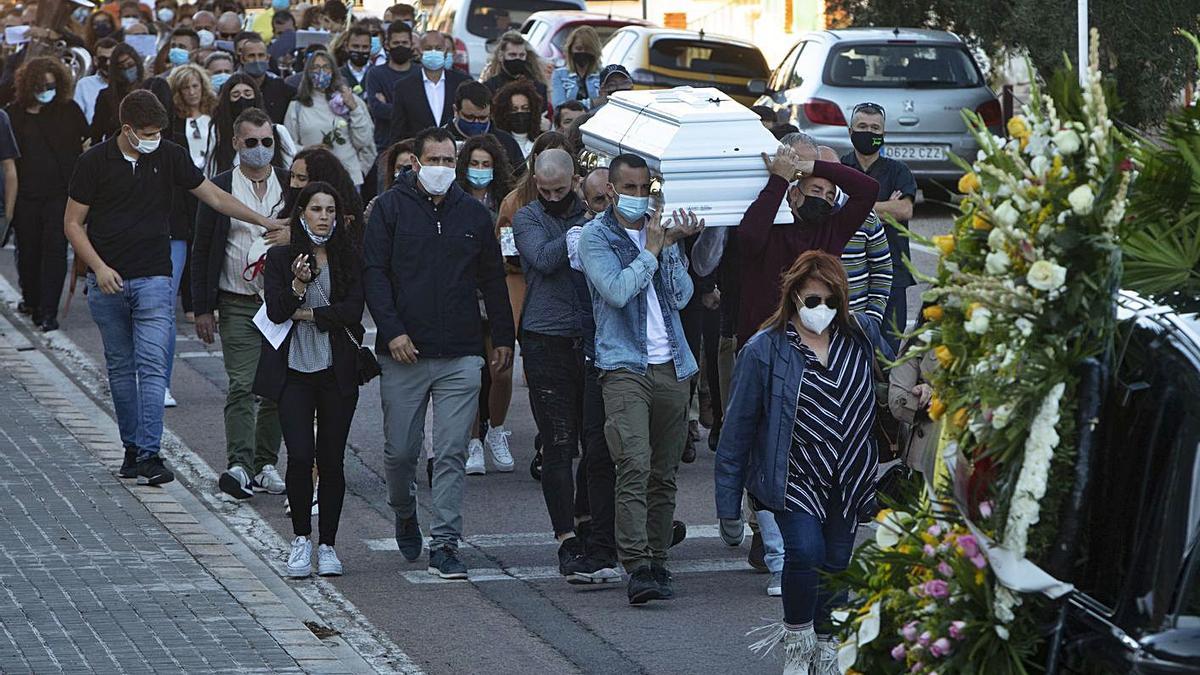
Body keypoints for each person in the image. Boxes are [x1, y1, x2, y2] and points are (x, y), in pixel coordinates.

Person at [65, 90, 289, 487]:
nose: (154, 139)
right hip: (107, 283)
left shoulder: (169, 155)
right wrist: (98, 267)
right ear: (127, 130)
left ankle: (149, 453)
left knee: (152, 367)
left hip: (154, 276)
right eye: (148, 133)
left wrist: (263, 222)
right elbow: (73, 223)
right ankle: (132, 449)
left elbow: (215, 196)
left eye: (159, 132)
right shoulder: (93, 162)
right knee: (120, 369)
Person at [715, 250, 893, 673]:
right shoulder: (765, 350)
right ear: (794, 296)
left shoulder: (861, 333)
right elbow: (736, 430)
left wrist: (917, 390)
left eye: (832, 301)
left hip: (850, 473)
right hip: (795, 475)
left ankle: (829, 650)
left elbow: (896, 373)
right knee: (805, 552)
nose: (822, 310)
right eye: (813, 300)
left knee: (836, 564)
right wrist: (727, 507)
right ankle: (798, 645)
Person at [363, 127, 514, 579]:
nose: (442, 169)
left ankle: (445, 542)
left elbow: (492, 278)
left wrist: (503, 337)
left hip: (460, 353)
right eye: (435, 160)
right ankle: (404, 510)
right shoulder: (389, 210)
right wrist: (392, 333)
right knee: (401, 453)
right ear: (416, 162)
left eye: (450, 161)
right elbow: (375, 275)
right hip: (403, 353)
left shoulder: (472, 214)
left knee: (449, 451)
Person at [577, 153, 703, 604]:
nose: (635, 197)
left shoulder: (660, 233)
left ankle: (658, 559)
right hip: (623, 366)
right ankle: (636, 565)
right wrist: (651, 250)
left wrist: (671, 246)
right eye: (627, 188)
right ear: (610, 191)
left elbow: (684, 296)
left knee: (664, 472)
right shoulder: (594, 238)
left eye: (642, 188)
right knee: (633, 462)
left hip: (672, 363)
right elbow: (615, 291)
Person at [255, 181, 365, 579]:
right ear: (301, 214)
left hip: (336, 371)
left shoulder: (348, 256)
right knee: (301, 455)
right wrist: (299, 285)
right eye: (316, 209)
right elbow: (277, 310)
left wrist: (313, 316)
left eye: (330, 210)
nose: (323, 216)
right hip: (293, 373)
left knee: (331, 460)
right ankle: (301, 538)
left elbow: (352, 310)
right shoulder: (282, 257)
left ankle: (329, 544)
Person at [193, 107, 290, 499]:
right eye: (251, 143)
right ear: (235, 143)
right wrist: (201, 308)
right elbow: (202, 250)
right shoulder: (218, 187)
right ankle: (239, 463)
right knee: (242, 384)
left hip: (282, 305)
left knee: (277, 387)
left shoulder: (289, 186)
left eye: (267, 142)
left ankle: (266, 463)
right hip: (237, 302)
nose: (260, 150)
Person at [512, 147, 599, 576]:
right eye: (544, 190)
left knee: (595, 439)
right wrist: (583, 228)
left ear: (574, 181)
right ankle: (565, 535)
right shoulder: (527, 217)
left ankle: (588, 519)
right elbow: (543, 260)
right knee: (558, 441)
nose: (551, 197)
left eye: (559, 190)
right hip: (544, 337)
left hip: (587, 335)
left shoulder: (593, 210)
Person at [6, 57, 87, 332]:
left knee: (54, 252)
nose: (47, 90)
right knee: (28, 252)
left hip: (59, 196)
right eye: (41, 85)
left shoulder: (68, 111)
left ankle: (48, 310)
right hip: (25, 197)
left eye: (51, 85)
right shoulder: (13, 114)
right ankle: (32, 300)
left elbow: (84, 146)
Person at [453, 134, 516, 476]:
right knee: (471, 373)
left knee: (501, 370)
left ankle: (497, 431)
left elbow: (510, 251)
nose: (480, 170)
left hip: (498, 292)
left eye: (486, 165)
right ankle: (473, 440)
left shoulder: (506, 202)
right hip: (463, 293)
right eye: (474, 164)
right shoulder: (455, 200)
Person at [840, 102, 916, 350]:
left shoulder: (898, 171)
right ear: (850, 131)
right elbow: (835, 212)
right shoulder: (840, 169)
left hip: (894, 272)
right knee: (851, 344)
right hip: (850, 275)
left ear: (883, 135)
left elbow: (904, 210)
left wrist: (856, 208)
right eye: (862, 126)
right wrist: (885, 208)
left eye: (875, 128)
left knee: (889, 347)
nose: (869, 133)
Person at [496, 132, 570, 346]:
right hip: (526, 291)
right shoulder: (515, 202)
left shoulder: (580, 199)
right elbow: (508, 255)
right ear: (535, 159)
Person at [284, 51, 374, 187]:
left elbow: (365, 141)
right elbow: (288, 146)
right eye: (316, 67)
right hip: (310, 180)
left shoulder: (350, 100)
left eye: (326, 67)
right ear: (308, 72)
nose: (321, 72)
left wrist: (360, 171)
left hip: (347, 179)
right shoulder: (297, 106)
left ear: (333, 71)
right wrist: (306, 150)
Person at [386, 30, 468, 145]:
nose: (434, 52)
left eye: (438, 48)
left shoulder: (462, 83)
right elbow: (397, 131)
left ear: (445, 51)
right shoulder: (404, 87)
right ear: (419, 50)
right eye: (428, 48)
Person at [207, 74, 295, 177]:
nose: (242, 98)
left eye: (247, 94)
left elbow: (291, 169)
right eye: (236, 95)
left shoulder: (278, 131)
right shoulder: (217, 132)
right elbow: (212, 171)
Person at [443, 80, 523, 171]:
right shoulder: (441, 141)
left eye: (482, 118)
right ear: (456, 110)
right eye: (469, 117)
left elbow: (522, 179)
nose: (476, 122)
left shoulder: (506, 142)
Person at [363, 20, 413, 151]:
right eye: (396, 43)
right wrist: (411, 110)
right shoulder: (375, 74)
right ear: (387, 45)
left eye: (404, 43)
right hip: (384, 145)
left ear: (411, 45)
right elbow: (377, 109)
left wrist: (389, 106)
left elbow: (423, 112)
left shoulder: (420, 73)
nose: (400, 47)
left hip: (415, 145)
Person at [240, 33, 297, 124]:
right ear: (242, 59)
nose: (257, 60)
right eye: (251, 56)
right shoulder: (232, 88)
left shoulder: (282, 89)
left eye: (261, 55)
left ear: (267, 58)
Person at [481, 31, 548, 104]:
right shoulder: (490, 87)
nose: (517, 59)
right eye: (512, 55)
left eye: (521, 55)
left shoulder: (538, 88)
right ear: (501, 56)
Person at [550, 26, 601, 109]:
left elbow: (605, 105)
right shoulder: (559, 74)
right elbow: (559, 106)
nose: (583, 52)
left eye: (588, 49)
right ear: (570, 50)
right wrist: (593, 103)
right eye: (579, 48)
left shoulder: (603, 75)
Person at [492, 80, 542, 162]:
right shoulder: (497, 143)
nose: (520, 113)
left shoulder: (541, 142)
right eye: (514, 109)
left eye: (525, 108)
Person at [75, 38, 118, 125]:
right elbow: (76, 118)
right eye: (103, 59)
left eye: (112, 58)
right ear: (95, 61)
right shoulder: (83, 85)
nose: (108, 63)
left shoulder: (129, 84)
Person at [339, 23, 373, 95]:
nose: (360, 50)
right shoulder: (337, 75)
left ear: (370, 48)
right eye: (355, 46)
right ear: (346, 47)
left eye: (365, 47)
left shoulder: (379, 74)